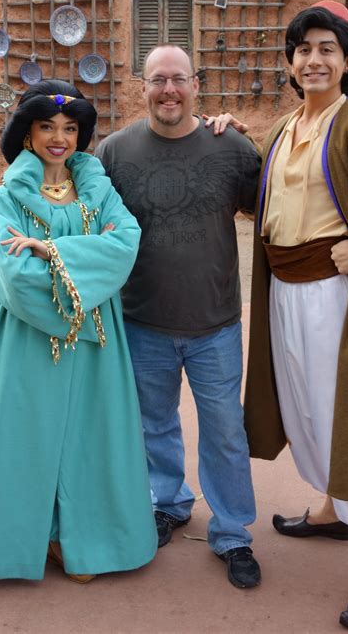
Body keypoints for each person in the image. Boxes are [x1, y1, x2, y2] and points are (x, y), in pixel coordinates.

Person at [206, 1, 348, 628]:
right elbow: (261, 199)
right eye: (304, 50)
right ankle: (332, 510)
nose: (314, 59)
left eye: (328, 48)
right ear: (292, 63)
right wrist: (226, 137)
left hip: (342, 297)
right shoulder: (283, 129)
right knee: (313, 408)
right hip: (288, 294)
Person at [0, 80, 157, 582]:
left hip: (95, 343)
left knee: (89, 436)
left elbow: (125, 243)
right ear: (27, 135)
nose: (59, 137)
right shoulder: (5, 200)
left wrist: (52, 250)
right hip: (27, 338)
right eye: (47, 126)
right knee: (18, 436)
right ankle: (2, 542)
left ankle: (80, 540)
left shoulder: (100, 191)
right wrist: (84, 273)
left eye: (70, 127)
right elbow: (13, 278)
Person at [95, 44, 262, 588]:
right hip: (142, 320)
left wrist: (249, 134)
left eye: (178, 80)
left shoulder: (231, 146)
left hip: (214, 323)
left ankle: (233, 533)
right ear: (141, 86)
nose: (168, 90)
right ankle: (168, 503)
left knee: (225, 432)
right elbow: (84, 217)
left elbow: (268, 202)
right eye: (157, 80)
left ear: (196, 84)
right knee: (153, 426)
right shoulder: (114, 153)